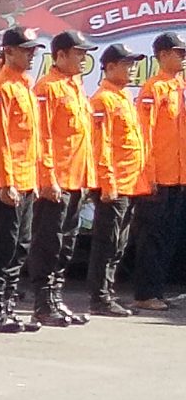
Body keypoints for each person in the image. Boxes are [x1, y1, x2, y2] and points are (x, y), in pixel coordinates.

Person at [0, 25, 43, 334]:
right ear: (8, 52)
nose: (31, 56)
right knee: (2, 246)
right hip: (7, 181)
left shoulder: (25, 84)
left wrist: (34, 177)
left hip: (26, 178)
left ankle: (9, 305)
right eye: (25, 50)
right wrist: (6, 182)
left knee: (21, 245)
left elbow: (32, 138)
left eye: (33, 51)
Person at [26, 30, 97, 327]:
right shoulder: (48, 87)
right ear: (61, 55)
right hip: (56, 181)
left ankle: (56, 298)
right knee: (49, 243)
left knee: (67, 243)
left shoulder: (75, 86)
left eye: (84, 53)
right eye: (78, 53)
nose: (83, 59)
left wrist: (89, 179)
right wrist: (48, 177)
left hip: (76, 179)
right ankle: (42, 304)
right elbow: (42, 137)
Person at [85, 45, 148, 315]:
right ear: (110, 67)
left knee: (119, 244)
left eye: (133, 64)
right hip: (114, 185)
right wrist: (108, 183)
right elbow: (102, 145)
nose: (132, 68)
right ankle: (100, 297)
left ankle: (107, 293)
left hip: (129, 183)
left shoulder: (124, 97)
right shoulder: (103, 100)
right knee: (107, 243)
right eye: (126, 63)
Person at [133, 31, 186, 309]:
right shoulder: (153, 89)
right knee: (151, 237)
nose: (183, 58)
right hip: (158, 178)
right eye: (179, 53)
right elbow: (145, 134)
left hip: (178, 176)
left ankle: (158, 290)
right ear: (163, 55)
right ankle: (145, 294)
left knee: (168, 237)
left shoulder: (179, 86)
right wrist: (149, 175)